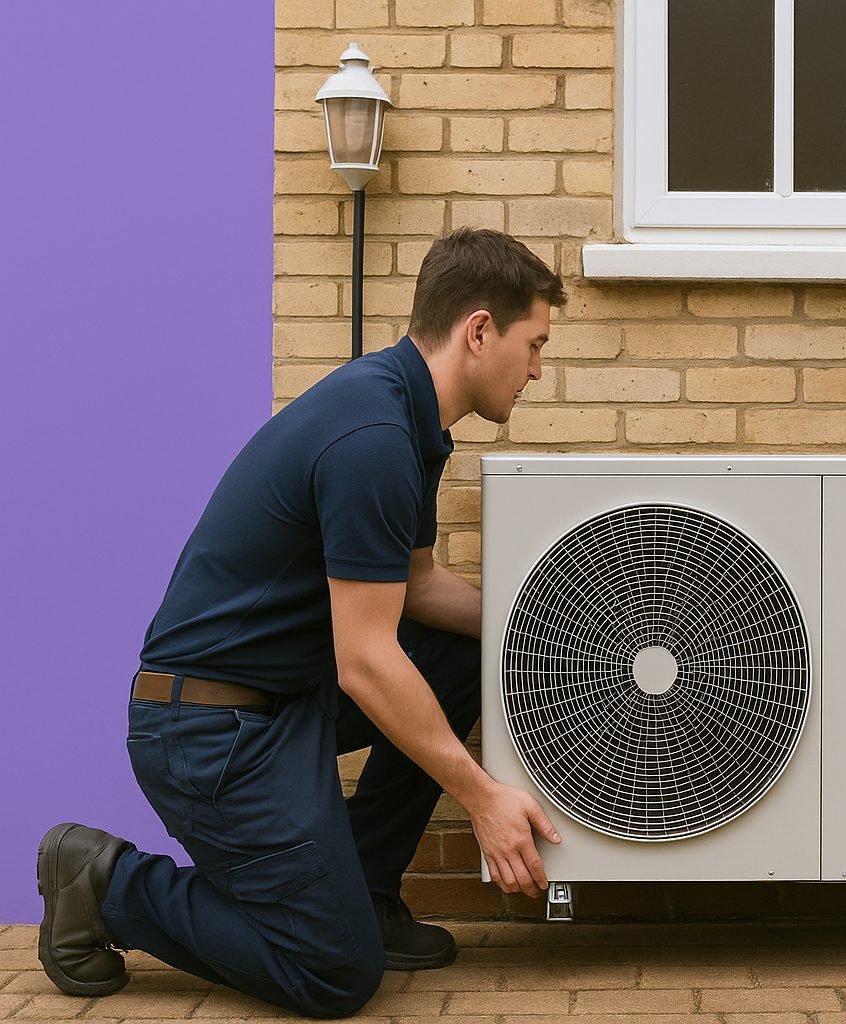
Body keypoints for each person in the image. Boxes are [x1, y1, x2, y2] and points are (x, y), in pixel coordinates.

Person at [37, 228, 568, 1018]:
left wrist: (541, 627)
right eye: (533, 345)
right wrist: (486, 798)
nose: (536, 371)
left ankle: (367, 895)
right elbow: (366, 661)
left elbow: (416, 588)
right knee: (332, 973)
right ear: (480, 330)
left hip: (283, 701)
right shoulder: (375, 438)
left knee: (469, 654)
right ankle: (107, 884)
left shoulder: (406, 416)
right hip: (208, 731)